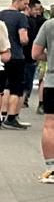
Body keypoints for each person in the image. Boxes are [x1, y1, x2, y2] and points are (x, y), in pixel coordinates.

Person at [0, 0, 32, 129]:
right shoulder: (21, 17)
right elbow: (23, 38)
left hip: (0, 57)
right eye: (25, 3)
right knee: (16, 89)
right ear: (18, 0)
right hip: (16, 57)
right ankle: (10, 118)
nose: (26, 6)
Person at [36, 17, 54, 182]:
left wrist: (50, 57)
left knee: (50, 125)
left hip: (52, 81)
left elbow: (35, 53)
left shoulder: (49, 25)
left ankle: (51, 169)